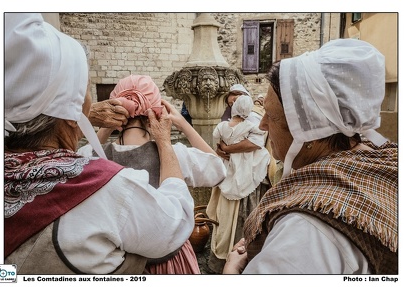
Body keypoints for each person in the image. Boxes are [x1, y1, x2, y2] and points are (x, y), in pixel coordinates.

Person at [4, 13, 195, 275]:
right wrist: (164, 140)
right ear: (73, 113)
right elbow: (177, 220)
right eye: (85, 92)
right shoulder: (106, 190)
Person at [223, 38, 398, 274]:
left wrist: (232, 272)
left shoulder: (305, 232)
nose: (263, 125)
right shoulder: (377, 158)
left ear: (310, 132)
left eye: (272, 116)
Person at [77, 74, 227, 274]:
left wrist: (106, 127)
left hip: (117, 265)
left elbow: (85, 153)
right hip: (169, 264)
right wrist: (183, 123)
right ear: (156, 112)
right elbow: (219, 169)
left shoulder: (90, 156)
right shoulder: (174, 156)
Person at [206, 84, 272, 274]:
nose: (234, 104)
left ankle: (242, 258)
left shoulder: (255, 118)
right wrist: (220, 149)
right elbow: (220, 141)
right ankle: (224, 257)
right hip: (231, 172)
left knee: (242, 217)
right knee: (225, 217)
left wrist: (226, 149)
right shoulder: (232, 121)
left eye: (236, 100)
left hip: (249, 174)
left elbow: (255, 143)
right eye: (231, 102)